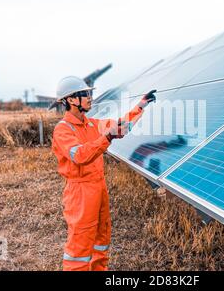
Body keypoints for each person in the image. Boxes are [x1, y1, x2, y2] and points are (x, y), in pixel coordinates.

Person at [51, 75, 156, 271]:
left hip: (99, 188)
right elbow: (81, 155)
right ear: (71, 100)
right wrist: (107, 136)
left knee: (102, 238)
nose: (90, 97)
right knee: (80, 245)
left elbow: (121, 125)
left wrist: (141, 106)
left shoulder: (92, 124)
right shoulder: (63, 130)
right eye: (85, 94)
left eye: (90, 93)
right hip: (80, 192)